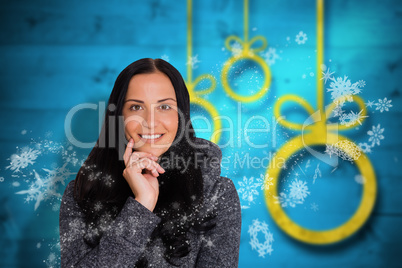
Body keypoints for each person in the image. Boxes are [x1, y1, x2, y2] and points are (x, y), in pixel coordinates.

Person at [59, 58, 241, 267]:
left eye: (164, 106)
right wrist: (142, 204)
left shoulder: (218, 194)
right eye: (136, 107)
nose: (151, 121)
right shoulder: (82, 194)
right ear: (119, 115)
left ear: (181, 115)